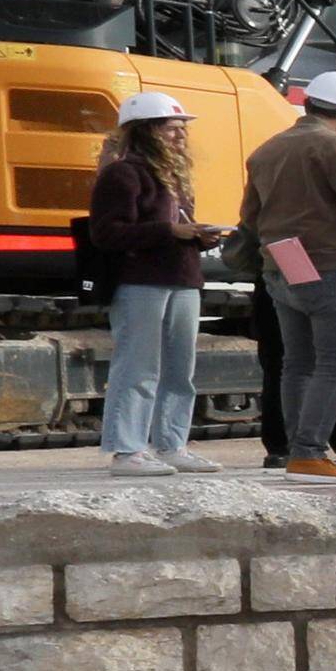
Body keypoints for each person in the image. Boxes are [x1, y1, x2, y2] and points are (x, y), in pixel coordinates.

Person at [240, 71, 336, 476]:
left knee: (296, 364)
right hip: (330, 265)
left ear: (307, 104)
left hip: (279, 266)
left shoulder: (266, 150)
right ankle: (309, 450)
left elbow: (249, 216)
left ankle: (294, 447)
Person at [83, 91, 222, 475]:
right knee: (138, 367)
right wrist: (170, 231)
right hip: (141, 282)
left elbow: (174, 229)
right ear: (146, 131)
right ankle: (127, 451)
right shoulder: (123, 173)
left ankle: (171, 444)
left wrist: (197, 236)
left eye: (182, 130)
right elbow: (106, 233)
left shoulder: (175, 176)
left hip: (182, 279)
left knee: (180, 369)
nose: (181, 137)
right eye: (172, 129)